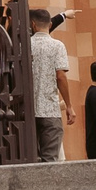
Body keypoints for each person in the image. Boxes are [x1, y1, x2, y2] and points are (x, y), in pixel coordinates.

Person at [28, 8, 72, 161]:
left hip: (27, 111)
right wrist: (69, 105)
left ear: (32, 24)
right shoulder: (57, 46)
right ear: (50, 24)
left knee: (29, 159)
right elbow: (61, 76)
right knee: (50, 159)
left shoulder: (23, 46)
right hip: (50, 110)